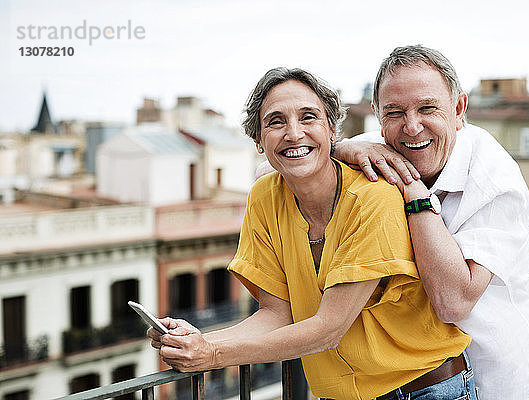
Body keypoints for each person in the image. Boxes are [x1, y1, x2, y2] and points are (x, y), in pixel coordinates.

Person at [148, 67, 479, 399]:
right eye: (276, 122)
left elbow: (328, 330)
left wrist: (214, 355)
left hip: (426, 389)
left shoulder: (374, 198)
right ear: (258, 141)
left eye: (308, 117)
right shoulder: (264, 198)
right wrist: (200, 340)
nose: (293, 133)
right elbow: (277, 314)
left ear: (332, 130)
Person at [334, 45, 529, 400]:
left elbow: (454, 302)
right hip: (418, 383)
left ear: (458, 110)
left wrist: (413, 190)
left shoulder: (494, 179)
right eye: (395, 112)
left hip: (499, 383)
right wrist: (340, 150)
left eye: (427, 108)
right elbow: (272, 169)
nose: (412, 127)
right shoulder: (379, 145)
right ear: (379, 116)